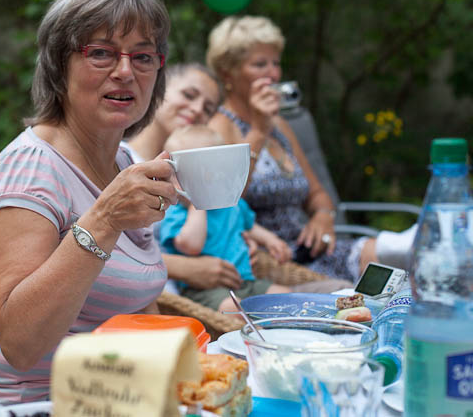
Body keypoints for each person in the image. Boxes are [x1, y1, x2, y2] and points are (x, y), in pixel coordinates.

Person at [0, 0, 180, 404]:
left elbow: (136, 305)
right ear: (58, 65)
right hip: (32, 405)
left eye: (142, 56)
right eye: (101, 53)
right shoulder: (30, 169)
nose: (125, 72)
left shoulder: (123, 163)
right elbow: (20, 344)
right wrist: (104, 220)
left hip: (115, 402)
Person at [206, 15, 375, 282]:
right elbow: (224, 201)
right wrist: (258, 131)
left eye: (276, 63)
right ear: (228, 73)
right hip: (268, 260)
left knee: (381, 255)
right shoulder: (218, 128)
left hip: (309, 249)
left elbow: (317, 192)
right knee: (350, 288)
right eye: (260, 64)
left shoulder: (280, 125)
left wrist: (323, 216)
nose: (273, 74)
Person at [124, 63, 248, 292]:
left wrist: (236, 247)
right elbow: (102, 242)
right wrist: (185, 268)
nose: (198, 109)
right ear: (158, 89)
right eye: (189, 95)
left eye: (208, 109)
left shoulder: (192, 175)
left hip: (200, 293)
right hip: (146, 297)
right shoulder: (120, 160)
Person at [158, 124, 294, 312]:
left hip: (246, 281)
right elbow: (191, 246)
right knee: (233, 309)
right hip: (206, 289)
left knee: (287, 297)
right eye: (189, 173)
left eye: (207, 170)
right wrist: (198, 204)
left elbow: (249, 226)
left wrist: (271, 240)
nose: (201, 178)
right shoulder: (175, 212)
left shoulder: (230, 203)